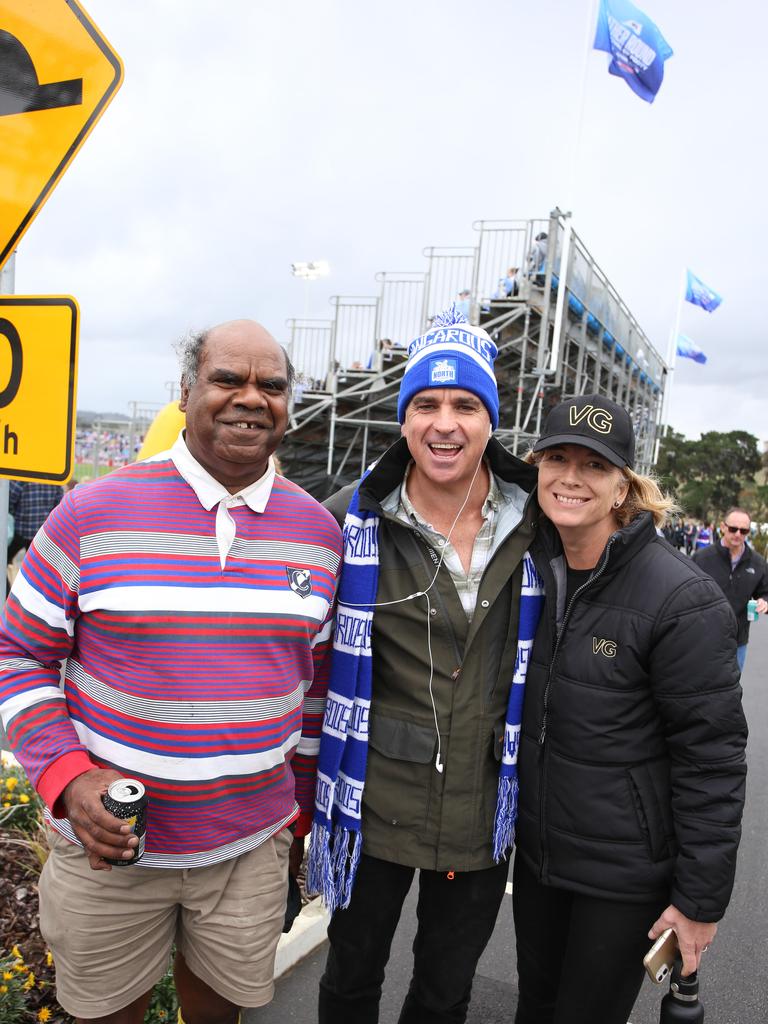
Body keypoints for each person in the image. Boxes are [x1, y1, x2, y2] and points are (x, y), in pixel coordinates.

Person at [0, 320, 343, 1023]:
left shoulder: (318, 534)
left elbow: (313, 690)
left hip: (248, 851)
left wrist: (297, 815)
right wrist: (67, 777)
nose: (251, 398)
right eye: (228, 379)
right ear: (185, 393)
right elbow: (18, 654)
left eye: (271, 385)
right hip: (108, 853)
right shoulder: (87, 515)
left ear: (288, 405)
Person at [308, 306, 540, 1023]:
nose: (446, 423)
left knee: (445, 990)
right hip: (370, 802)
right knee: (351, 976)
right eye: (427, 404)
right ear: (403, 419)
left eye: (466, 405)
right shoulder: (351, 519)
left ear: (490, 419)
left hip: (481, 805)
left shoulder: (538, 522)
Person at [512, 394, 747, 1024]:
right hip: (538, 859)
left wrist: (699, 902)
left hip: (620, 876)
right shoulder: (530, 567)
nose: (570, 477)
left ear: (623, 487)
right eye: (557, 457)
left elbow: (713, 760)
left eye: (594, 465)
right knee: (534, 1009)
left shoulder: (681, 598)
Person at [693, 506, 768, 672]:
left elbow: (765, 591)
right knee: (699, 685)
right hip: (703, 637)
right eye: (733, 529)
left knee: (731, 690)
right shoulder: (702, 558)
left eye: (744, 531)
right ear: (723, 527)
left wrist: (764, 601)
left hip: (737, 641)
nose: (738, 534)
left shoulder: (758, 563)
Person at [7, 480, 64, 561]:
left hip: (20, 530)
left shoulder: (21, 476)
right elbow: (59, 505)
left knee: (3, 559)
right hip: (43, 532)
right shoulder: (53, 477)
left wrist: (14, 516)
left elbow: (9, 501)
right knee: (37, 568)